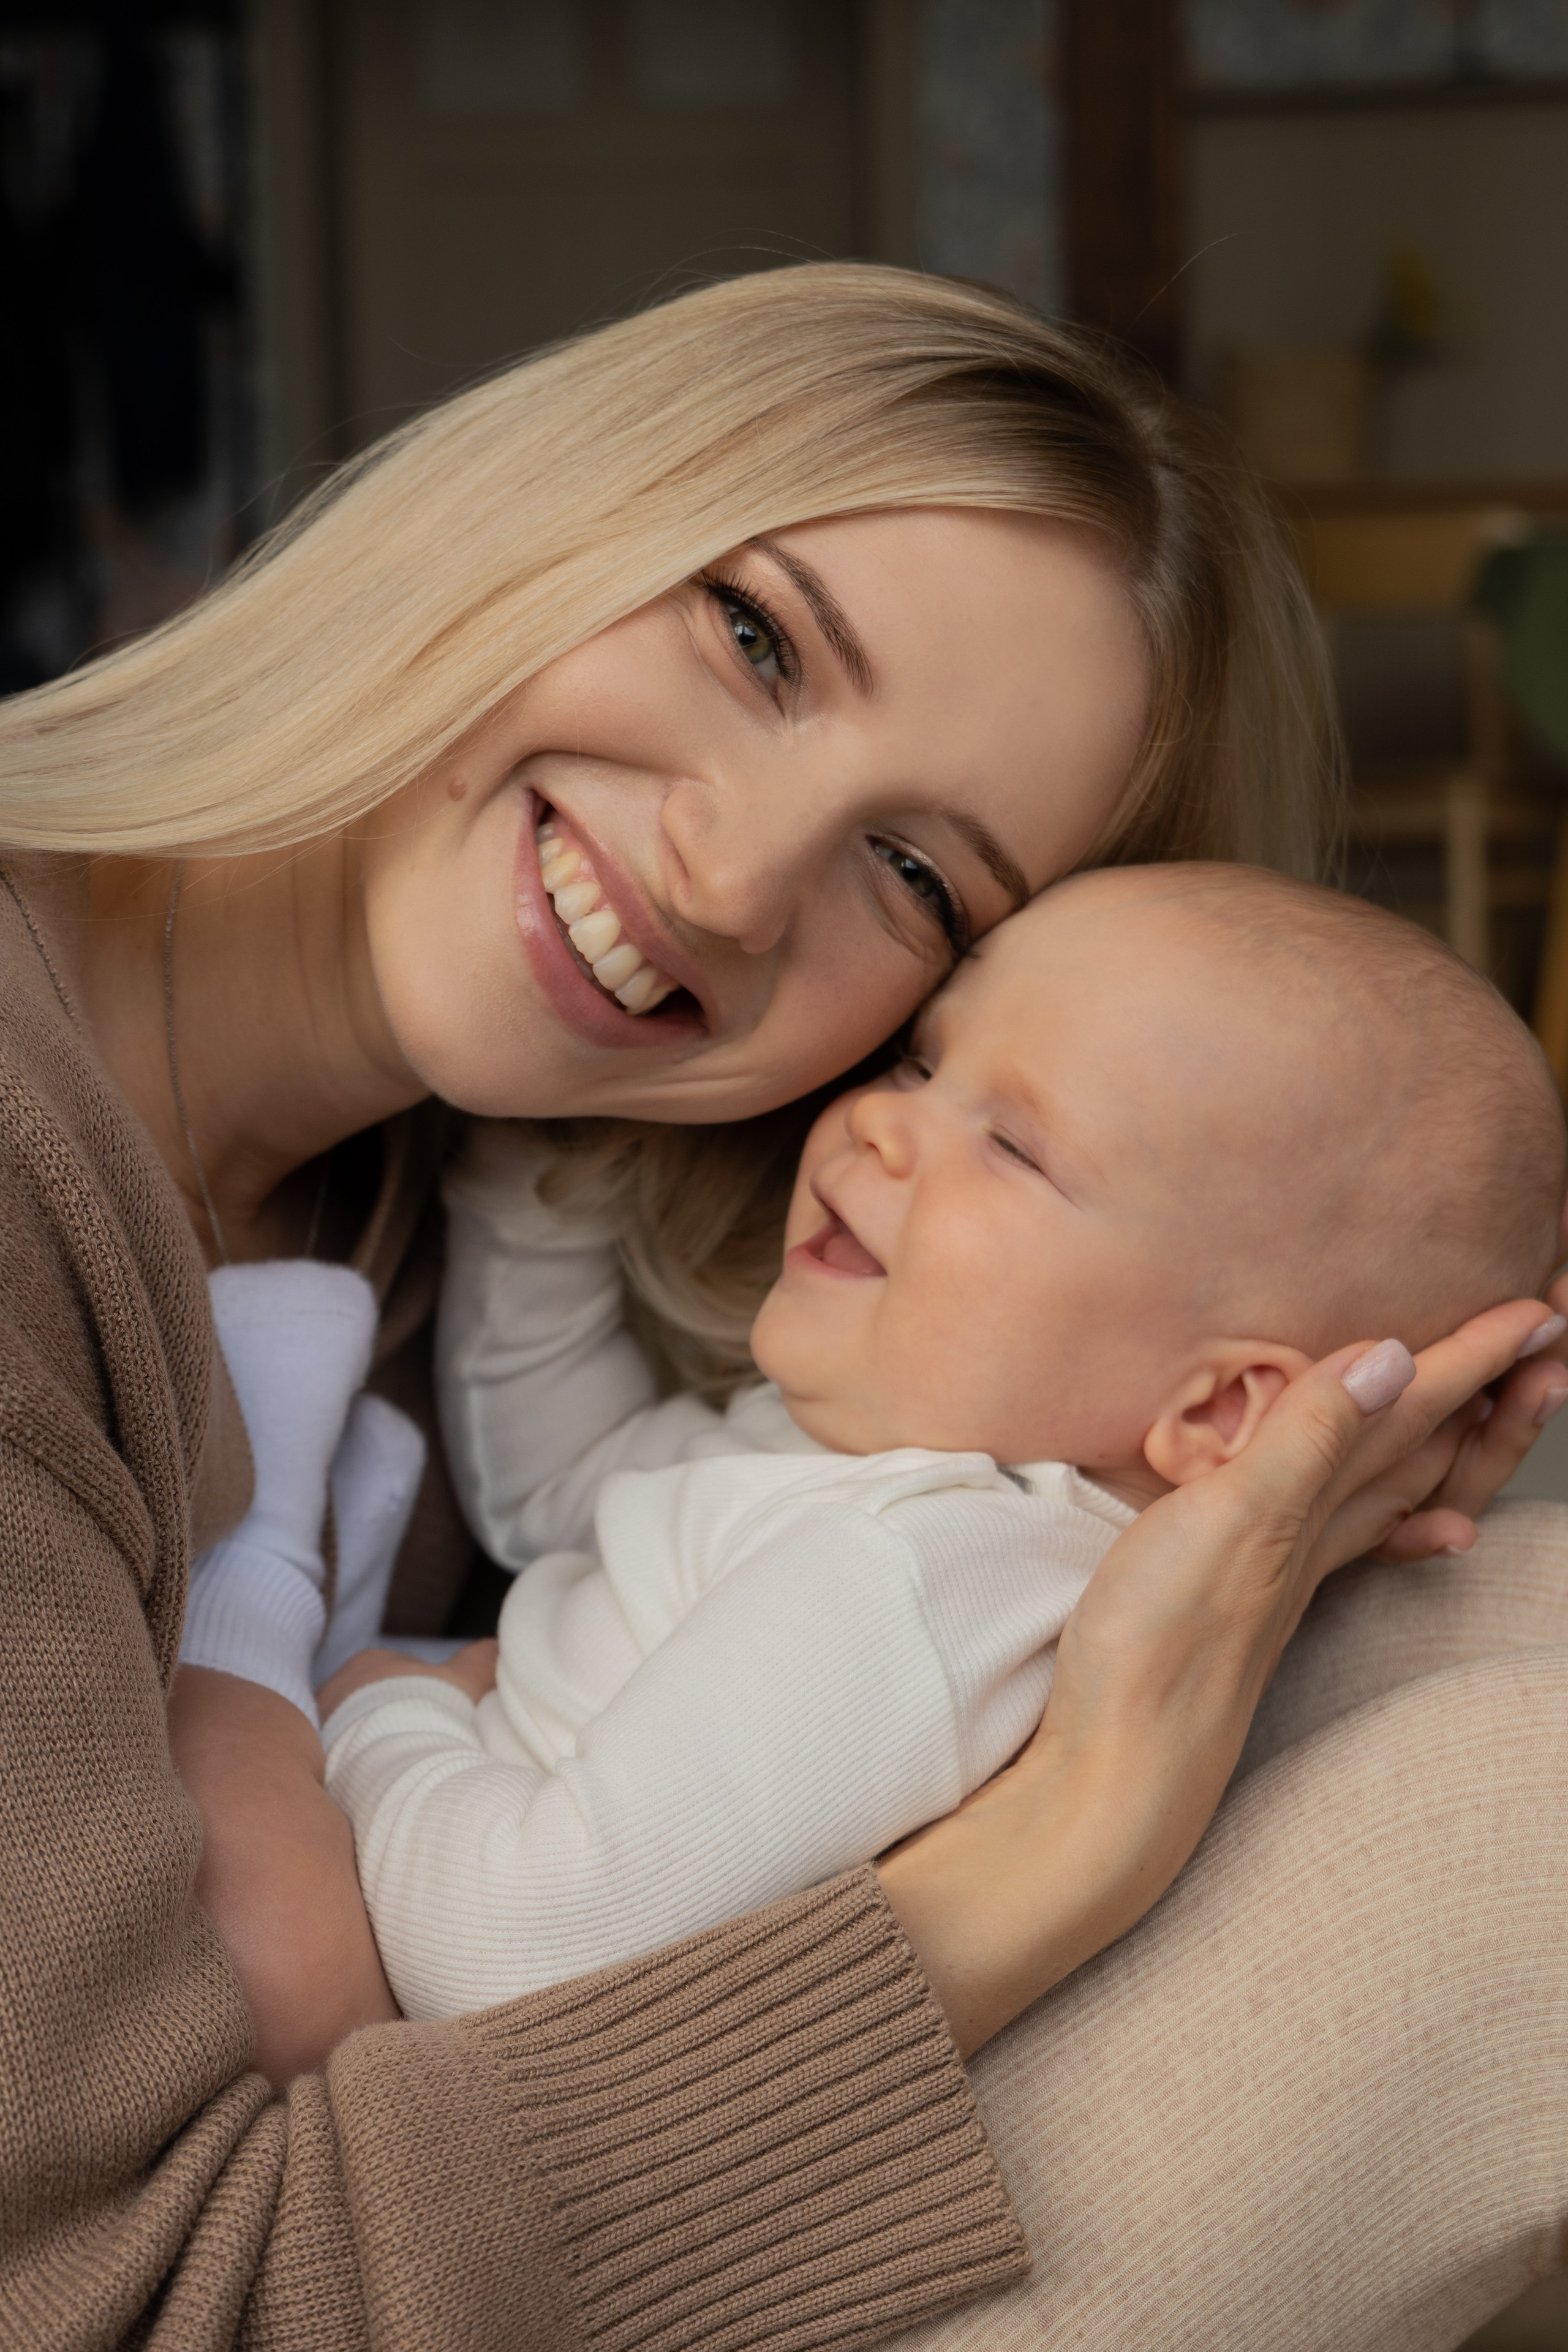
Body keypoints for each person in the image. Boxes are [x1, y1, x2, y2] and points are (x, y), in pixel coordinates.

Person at [0, 263, 1561, 2350]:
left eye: (917, 882)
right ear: (546, 499)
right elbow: (156, 2302)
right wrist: (1058, 1852)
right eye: (755, 639)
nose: (729, 886)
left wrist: (1292, 1517)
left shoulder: (472, 1191)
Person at [167, 863, 1567, 2039]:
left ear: (1213, 1415)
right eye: (923, 1060)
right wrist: (544, 1179)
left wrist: (383, 1717)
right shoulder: (913, 1481)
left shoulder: (910, 1582)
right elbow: (566, 1502)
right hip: (452, 1825)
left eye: (1013, 1149)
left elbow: (521, 1953)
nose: (884, 1124)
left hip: (415, 1978)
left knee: (233, 1767)